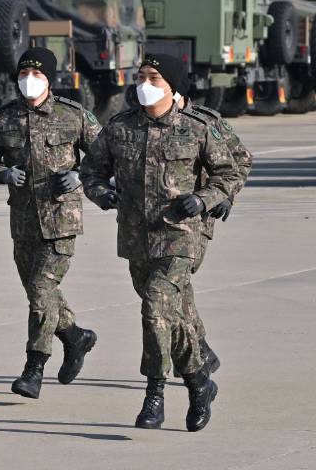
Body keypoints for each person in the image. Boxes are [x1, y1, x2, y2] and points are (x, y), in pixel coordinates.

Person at [80, 53, 239, 432]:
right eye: (141, 77)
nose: (144, 84)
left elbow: (228, 172)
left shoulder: (197, 127)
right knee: (172, 315)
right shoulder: (120, 127)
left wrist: (204, 199)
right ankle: (199, 381)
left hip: (181, 236)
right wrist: (101, 193)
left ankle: (155, 394)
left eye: (154, 77)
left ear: (173, 86)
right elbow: (91, 171)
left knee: (155, 307)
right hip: (136, 237)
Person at [0, 47, 101, 399]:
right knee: (39, 293)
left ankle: (34, 367)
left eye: (37, 74)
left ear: (50, 79)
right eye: (24, 74)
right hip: (24, 222)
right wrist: (2, 173)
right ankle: (75, 336)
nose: (30, 80)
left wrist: (79, 175)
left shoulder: (73, 115)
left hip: (61, 221)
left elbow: (106, 158)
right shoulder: (2, 119)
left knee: (41, 291)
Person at [169, 62, 254, 377]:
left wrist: (223, 196)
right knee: (173, 288)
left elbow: (241, 159)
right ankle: (199, 347)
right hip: (156, 223)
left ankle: (194, 357)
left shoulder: (207, 121)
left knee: (171, 286)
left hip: (197, 219)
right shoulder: (143, 122)